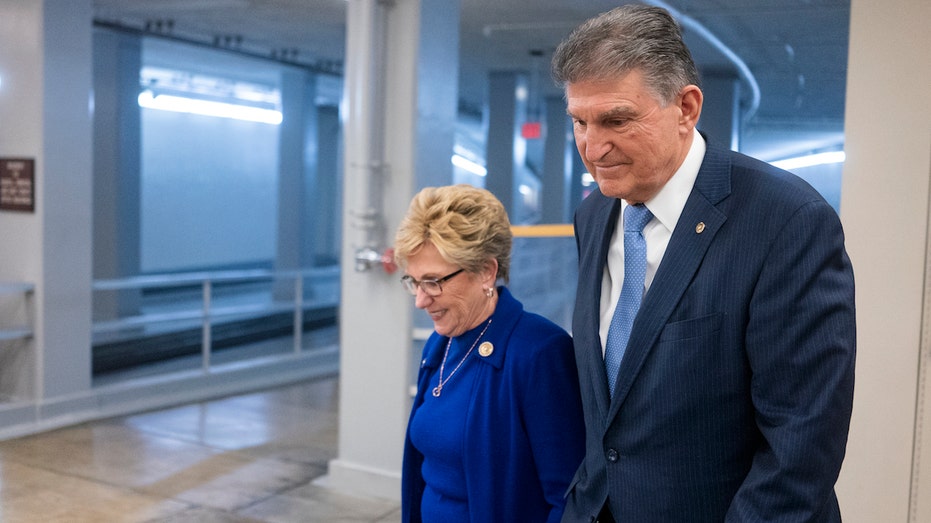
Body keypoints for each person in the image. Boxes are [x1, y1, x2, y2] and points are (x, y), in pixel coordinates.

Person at [551, 5, 856, 522]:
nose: (593, 147)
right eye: (579, 122)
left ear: (686, 108)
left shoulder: (786, 221)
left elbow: (801, 442)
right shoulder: (594, 214)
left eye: (616, 120)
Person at [394, 184, 585, 523]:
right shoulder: (440, 346)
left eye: (433, 282)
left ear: (486, 271)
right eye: (414, 282)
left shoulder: (539, 354)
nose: (420, 301)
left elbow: (568, 498)